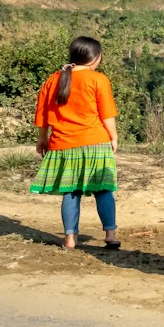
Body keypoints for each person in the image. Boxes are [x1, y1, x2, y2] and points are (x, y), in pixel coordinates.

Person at [30, 36, 119, 250]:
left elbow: (43, 113)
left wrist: (42, 139)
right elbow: (106, 114)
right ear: (96, 58)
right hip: (95, 141)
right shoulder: (98, 80)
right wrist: (113, 137)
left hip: (63, 143)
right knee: (104, 190)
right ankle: (111, 235)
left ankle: (70, 239)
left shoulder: (53, 79)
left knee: (70, 192)